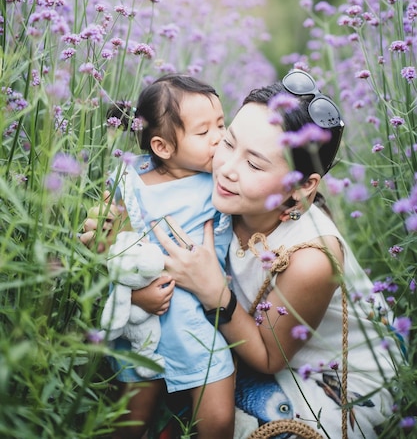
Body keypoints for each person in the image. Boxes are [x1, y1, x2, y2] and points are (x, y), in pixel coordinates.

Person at [145, 70, 402, 439]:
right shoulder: (219, 190)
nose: (227, 169)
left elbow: (269, 358)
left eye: (254, 164)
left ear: (300, 188)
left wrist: (214, 293)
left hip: (328, 373)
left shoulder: (312, 257)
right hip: (244, 338)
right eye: (229, 143)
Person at [82, 74, 235, 439]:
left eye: (221, 125)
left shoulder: (221, 178)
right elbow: (107, 254)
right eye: (203, 132)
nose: (219, 138)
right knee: (130, 423)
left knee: (217, 421)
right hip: (141, 329)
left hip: (197, 326)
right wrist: (134, 296)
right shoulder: (129, 180)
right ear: (162, 147)